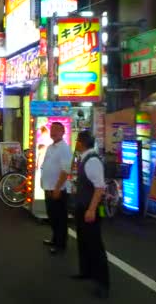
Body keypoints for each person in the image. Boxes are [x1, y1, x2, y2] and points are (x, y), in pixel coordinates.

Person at [73, 130, 110, 299]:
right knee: (83, 241)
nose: (75, 143)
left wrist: (91, 209)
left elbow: (100, 187)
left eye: (77, 141)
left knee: (95, 245)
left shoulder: (92, 161)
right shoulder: (84, 158)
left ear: (81, 143)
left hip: (89, 207)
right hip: (82, 206)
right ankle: (86, 271)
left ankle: (102, 283)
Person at [40, 122, 72, 254]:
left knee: (59, 218)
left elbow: (66, 170)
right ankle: (55, 239)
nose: (53, 132)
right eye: (52, 129)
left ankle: (60, 244)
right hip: (48, 187)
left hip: (58, 189)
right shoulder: (50, 147)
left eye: (57, 130)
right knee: (52, 216)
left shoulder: (64, 148)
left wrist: (58, 188)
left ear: (63, 132)